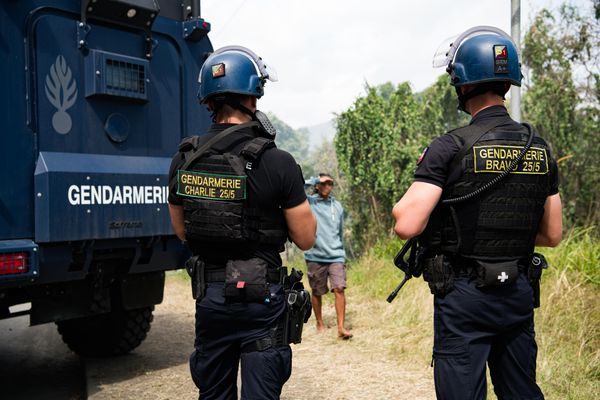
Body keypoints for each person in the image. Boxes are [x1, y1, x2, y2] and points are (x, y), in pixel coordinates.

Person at [392, 27, 562, 400]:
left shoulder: (449, 146)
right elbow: (552, 234)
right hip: (517, 289)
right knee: (521, 391)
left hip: (465, 294)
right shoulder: (539, 149)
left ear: (461, 82)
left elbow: (406, 224)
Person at [168, 46, 316, 400]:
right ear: (254, 95)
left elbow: (182, 230)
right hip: (260, 298)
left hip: (211, 297)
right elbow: (306, 238)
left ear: (208, 102)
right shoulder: (277, 161)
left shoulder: (184, 158)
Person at [304, 173, 353, 339]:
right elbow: (298, 191)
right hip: (315, 254)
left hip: (336, 255)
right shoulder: (310, 202)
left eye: (330, 183)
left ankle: (341, 327)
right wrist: (314, 180)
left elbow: (339, 231)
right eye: (323, 183)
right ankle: (319, 322)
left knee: (339, 288)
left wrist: (341, 252)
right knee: (317, 291)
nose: (327, 186)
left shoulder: (337, 206)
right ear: (317, 185)